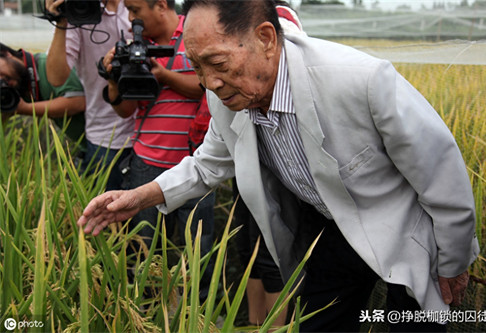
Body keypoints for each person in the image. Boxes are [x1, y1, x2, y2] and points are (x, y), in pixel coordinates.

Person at [77, 0, 480, 332]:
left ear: (266, 39)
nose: (210, 83)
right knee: (319, 324)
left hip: (404, 229)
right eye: (197, 68)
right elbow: (208, 164)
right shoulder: (229, 96)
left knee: (412, 323)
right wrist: (137, 197)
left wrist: (454, 261)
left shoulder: (360, 80)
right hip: (331, 228)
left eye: (217, 63)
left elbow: (441, 175)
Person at [99, 0, 215, 300]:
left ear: (161, 5)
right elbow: (125, 110)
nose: (131, 19)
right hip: (146, 163)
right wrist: (114, 77)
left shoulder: (195, 32)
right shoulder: (135, 47)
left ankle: (196, 315)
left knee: (197, 251)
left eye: (136, 9)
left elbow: (206, 86)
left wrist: (162, 75)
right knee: (146, 251)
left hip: (197, 164)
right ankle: (150, 314)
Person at [233, 2, 305, 327]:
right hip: (246, 165)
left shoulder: (283, 18)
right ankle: (253, 323)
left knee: (272, 253)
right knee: (248, 249)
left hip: (281, 177)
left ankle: (276, 326)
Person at [44, 0, 135, 190]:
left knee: (154, 216)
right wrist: (62, 19)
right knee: (107, 214)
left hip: (152, 133)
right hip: (106, 137)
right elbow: (56, 77)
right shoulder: (78, 12)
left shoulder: (137, 5)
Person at [0, 43, 85, 146]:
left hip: (104, 143)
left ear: (5, 54)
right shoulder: (17, 86)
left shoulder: (48, 64)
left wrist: (24, 108)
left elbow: (78, 101)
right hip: (88, 146)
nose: (1, 80)